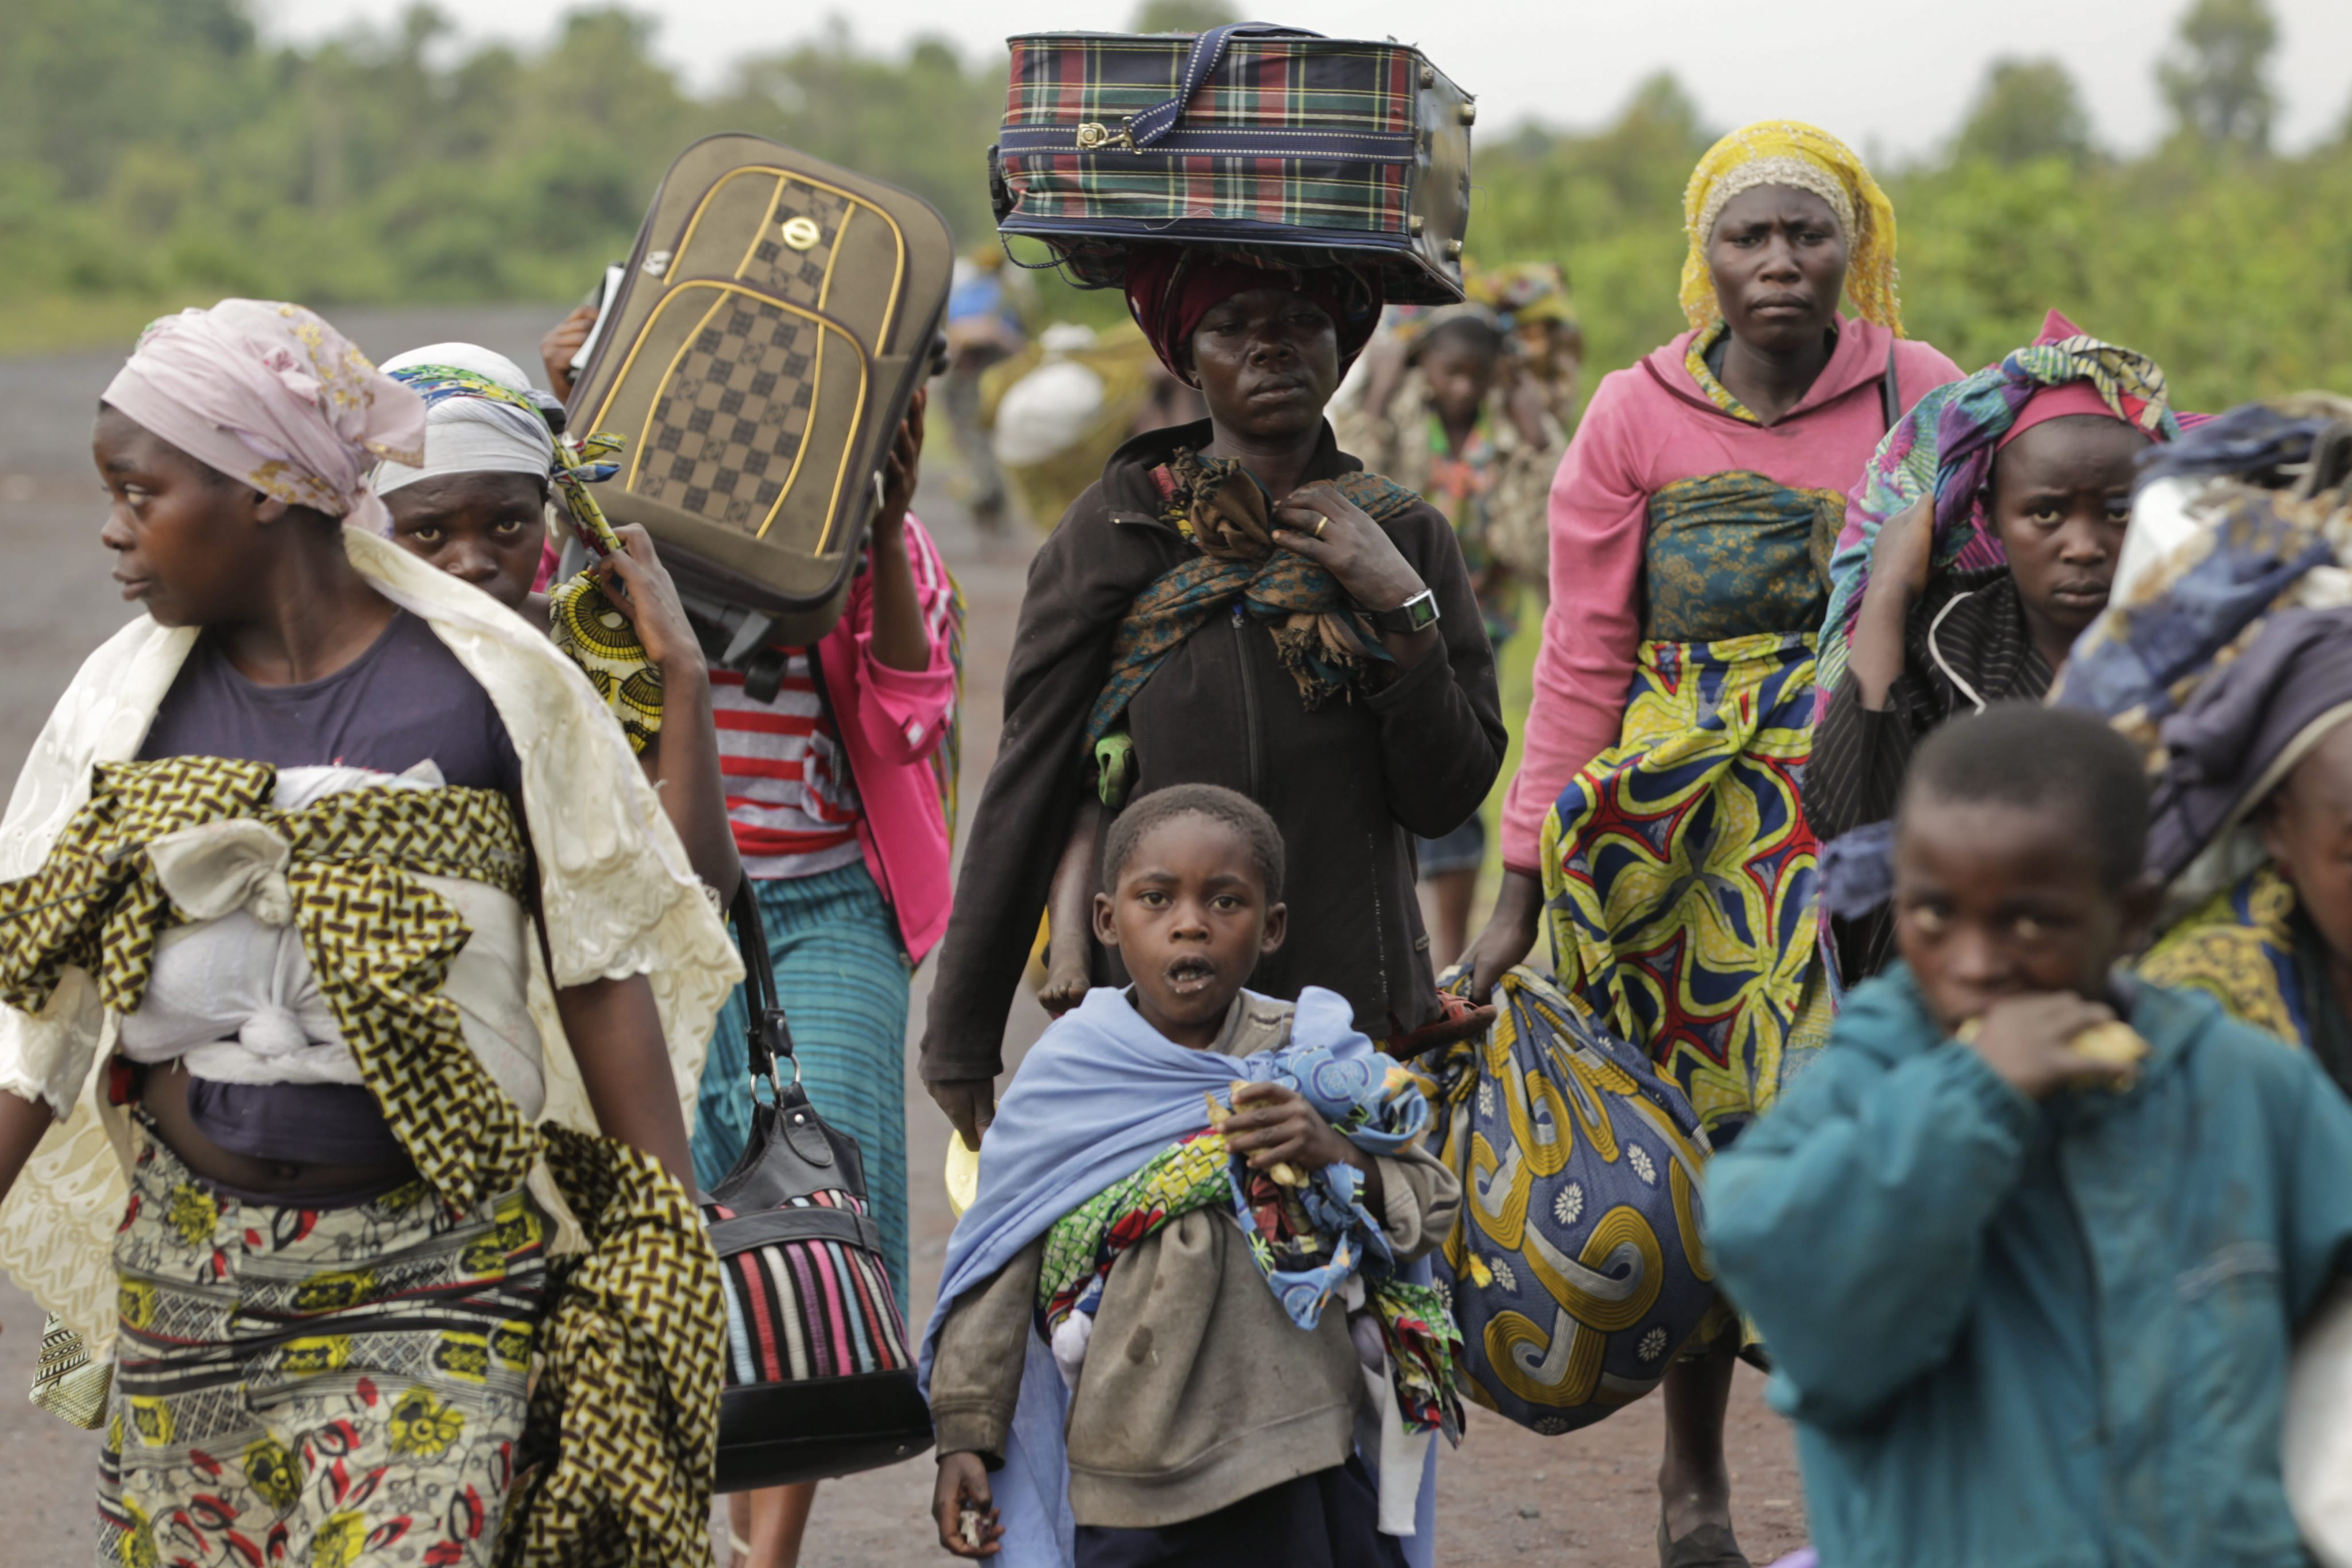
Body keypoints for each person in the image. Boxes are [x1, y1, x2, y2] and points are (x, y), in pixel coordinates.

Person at [0, 300, 739, 1567]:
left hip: (438, 1270)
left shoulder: (491, 688)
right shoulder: (129, 711)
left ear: (267, 493)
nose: (116, 533)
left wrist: (661, 1254)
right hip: (193, 1278)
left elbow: (599, 956)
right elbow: (38, 1013)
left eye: (140, 492)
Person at [1457, 121, 1964, 1567]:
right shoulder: (1632, 411)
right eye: (1751, 236)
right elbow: (1578, 657)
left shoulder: (1916, 392)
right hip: (1672, 834)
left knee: (1848, 1126)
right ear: (1708, 257)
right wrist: (1515, 899)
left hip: (1853, 805)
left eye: (1810, 232)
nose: (1783, 262)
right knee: (1694, 1133)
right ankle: (1692, 1481)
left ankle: (1872, 1467)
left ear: (1853, 243)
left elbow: (1970, 602)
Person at [1704, 703, 2352, 1568]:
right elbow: (1794, 1279)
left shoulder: (2245, 1090)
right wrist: (1976, 1094)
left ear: (2131, 915)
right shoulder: (1872, 1076)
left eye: (2032, 921)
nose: (1975, 962)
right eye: (1934, 914)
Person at [920, 245, 1507, 1151]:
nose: (1271, 348)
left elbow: (1446, 795)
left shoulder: (1402, 535)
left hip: (1348, 1016)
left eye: (1302, 322)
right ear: (1185, 357)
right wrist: (963, 1028)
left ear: (1342, 349)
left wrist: (1402, 607)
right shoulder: (1116, 530)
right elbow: (1030, 774)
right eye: (1232, 326)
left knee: (1345, 1275)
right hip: (1154, 1018)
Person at [922, 785, 1462, 1567]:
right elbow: (1001, 1258)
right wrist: (966, 1435)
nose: (1189, 921)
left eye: (1226, 900)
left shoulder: (1314, 1058)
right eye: (1156, 897)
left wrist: (1333, 1152)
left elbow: (1432, 1203)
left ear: (1271, 926)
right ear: (1107, 919)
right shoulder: (1070, 1075)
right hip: (1130, 1472)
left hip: (1298, 1448)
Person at [1805, 311, 2183, 982]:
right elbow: (1850, 814)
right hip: (1964, 979)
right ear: (1991, 516)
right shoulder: (1945, 639)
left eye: (2119, 510)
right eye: (2045, 513)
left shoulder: (2195, 641)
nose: (2083, 545)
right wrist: (1889, 589)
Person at [370, 342, 741, 901]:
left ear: (544, 512)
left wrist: (684, 667)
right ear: (373, 527)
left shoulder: (594, 644)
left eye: (507, 525)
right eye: (429, 532)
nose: (471, 562)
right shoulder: (339, 646)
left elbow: (699, 892)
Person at [1334, 309, 1566, 969]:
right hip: (1380, 631)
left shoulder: (1510, 437)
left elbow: (1539, 542)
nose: (1463, 388)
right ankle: (1385, 948)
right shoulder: (1400, 420)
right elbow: (1350, 487)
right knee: (1378, 777)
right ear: (1425, 372)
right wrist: (1378, 386)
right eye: (1449, 373)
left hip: (1474, 635)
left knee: (1454, 775)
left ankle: (1451, 958)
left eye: (1476, 375)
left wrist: (1529, 427)